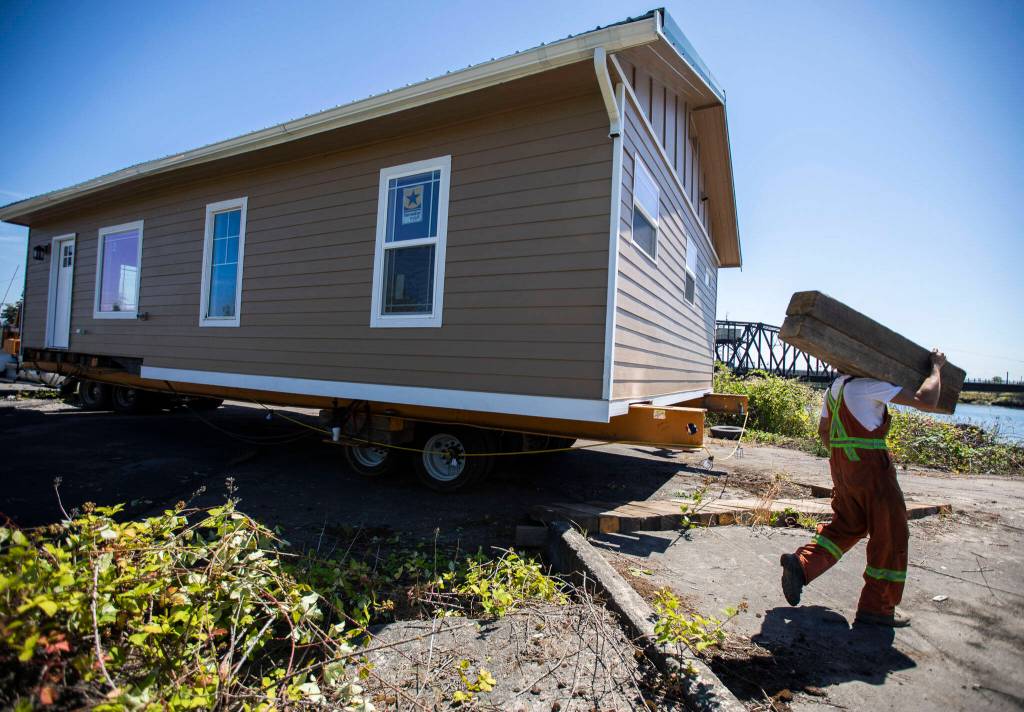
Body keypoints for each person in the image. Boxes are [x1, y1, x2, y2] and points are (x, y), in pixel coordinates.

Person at [779, 349, 946, 627]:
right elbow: (926, 399)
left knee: (848, 525)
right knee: (890, 533)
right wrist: (936, 368)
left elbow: (824, 430)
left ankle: (803, 565)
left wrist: (846, 457)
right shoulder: (870, 386)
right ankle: (878, 607)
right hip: (872, 470)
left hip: (842, 467)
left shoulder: (835, 388)